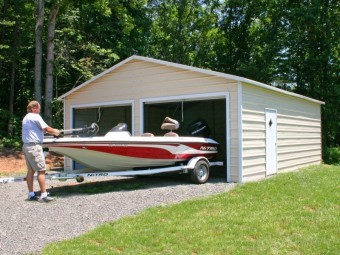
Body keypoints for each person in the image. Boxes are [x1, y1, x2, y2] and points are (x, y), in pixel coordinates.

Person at [22, 101, 60, 202]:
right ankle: (44, 195)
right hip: (34, 146)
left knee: (30, 171)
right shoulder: (36, 116)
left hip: (26, 146)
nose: (39, 110)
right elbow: (47, 129)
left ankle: (31, 194)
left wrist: (49, 130)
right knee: (41, 170)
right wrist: (56, 132)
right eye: (39, 108)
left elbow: (38, 130)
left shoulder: (26, 118)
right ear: (34, 108)